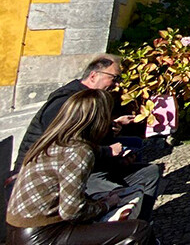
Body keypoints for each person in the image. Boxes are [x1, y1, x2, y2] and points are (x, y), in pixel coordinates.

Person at [13, 54, 162, 222]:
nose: (117, 84)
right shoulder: (65, 102)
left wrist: (111, 132)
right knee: (120, 196)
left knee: (148, 169)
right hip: (59, 175)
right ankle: (120, 228)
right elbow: (68, 149)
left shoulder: (89, 98)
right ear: (94, 75)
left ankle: (140, 225)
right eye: (114, 78)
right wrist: (108, 152)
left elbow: (86, 137)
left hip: (86, 164)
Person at [7, 89, 153, 245]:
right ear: (99, 119)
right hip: (44, 234)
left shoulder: (52, 141)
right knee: (139, 230)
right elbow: (73, 211)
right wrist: (106, 205)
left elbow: (94, 151)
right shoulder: (79, 151)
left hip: (18, 231)